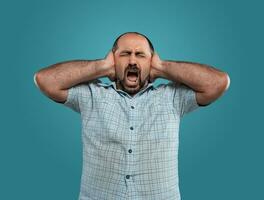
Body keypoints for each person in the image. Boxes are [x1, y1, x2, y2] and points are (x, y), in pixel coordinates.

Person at [34, 32, 230, 200]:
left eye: (141, 55)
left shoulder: (173, 97)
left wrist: (161, 67)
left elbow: (218, 82)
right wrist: (101, 66)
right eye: (125, 54)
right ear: (113, 59)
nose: (133, 61)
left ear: (151, 62)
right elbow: (45, 80)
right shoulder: (92, 95)